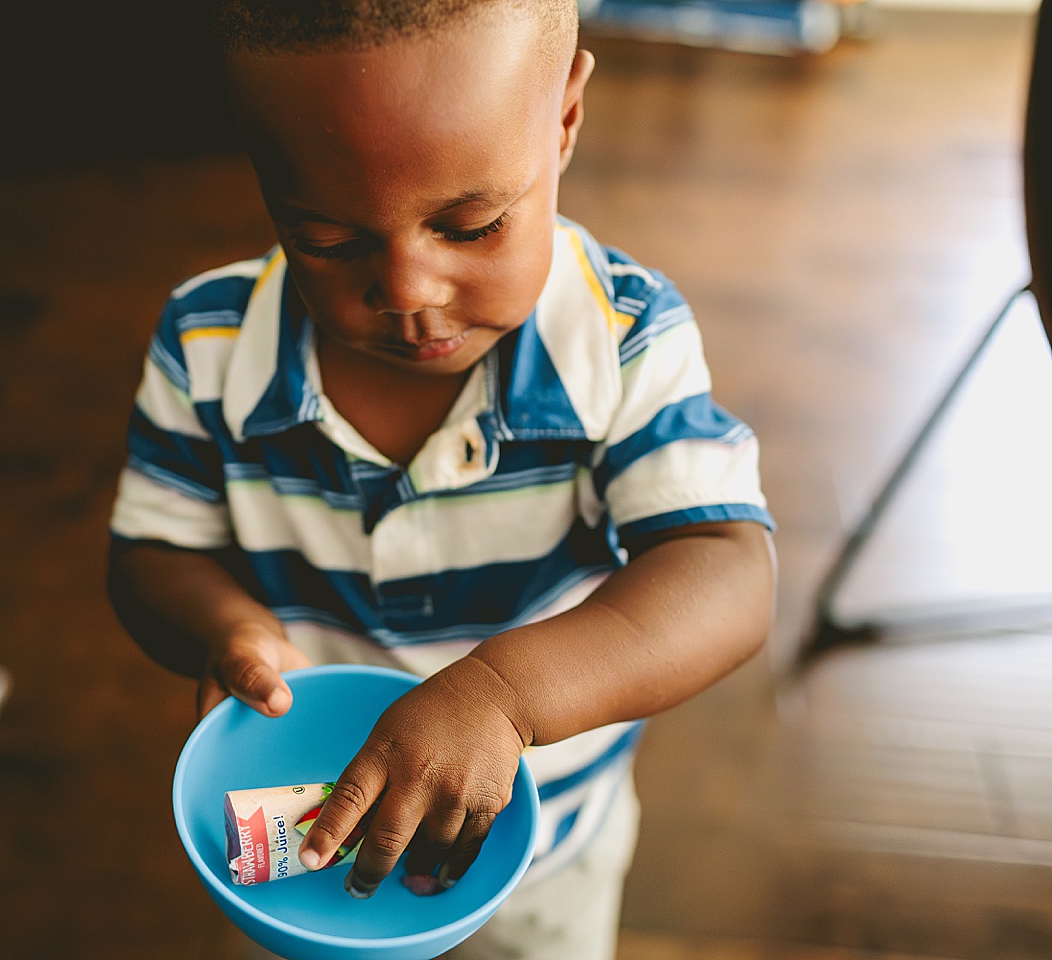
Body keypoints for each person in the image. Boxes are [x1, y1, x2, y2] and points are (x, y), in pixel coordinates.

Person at [107, 1, 776, 957]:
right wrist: (222, 624)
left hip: (538, 862)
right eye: (330, 242)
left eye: (471, 226)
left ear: (566, 118)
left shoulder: (624, 342)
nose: (409, 293)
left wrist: (505, 693)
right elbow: (152, 550)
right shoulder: (208, 347)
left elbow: (726, 571)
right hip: (309, 853)